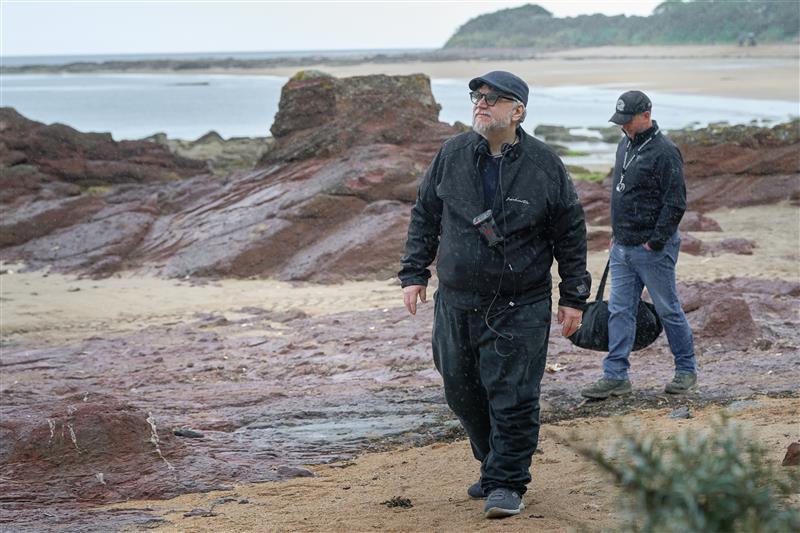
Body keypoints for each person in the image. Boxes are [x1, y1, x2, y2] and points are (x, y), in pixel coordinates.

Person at [398, 71, 590, 519]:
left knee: (513, 394)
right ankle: (492, 464)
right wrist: (413, 273)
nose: (480, 103)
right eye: (476, 96)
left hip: (519, 302)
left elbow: (571, 233)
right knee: (461, 392)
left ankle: (507, 481)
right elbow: (425, 214)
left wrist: (574, 296)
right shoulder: (451, 154)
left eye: (493, 98)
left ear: (518, 111)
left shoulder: (544, 165)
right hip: (456, 300)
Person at [581, 90, 697, 400]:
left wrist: (655, 242)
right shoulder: (625, 145)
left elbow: (676, 203)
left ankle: (686, 370)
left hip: (652, 250)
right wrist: (617, 235)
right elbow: (621, 193)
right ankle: (615, 376)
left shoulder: (665, 151)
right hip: (622, 247)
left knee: (668, 310)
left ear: (646, 115)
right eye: (620, 121)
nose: (623, 126)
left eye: (628, 120)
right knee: (619, 311)